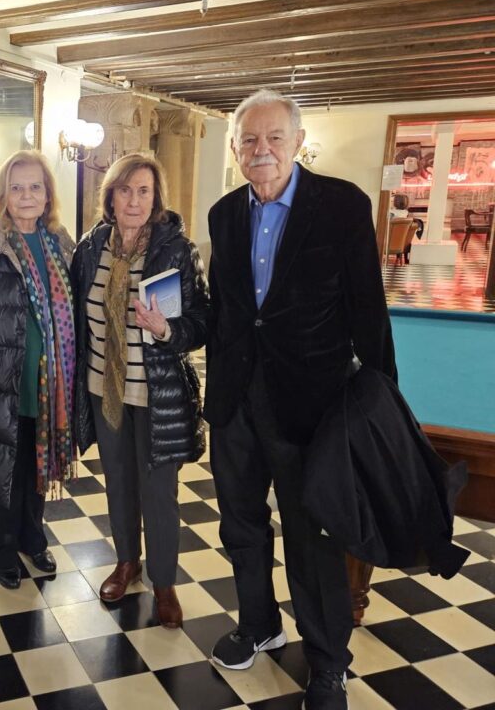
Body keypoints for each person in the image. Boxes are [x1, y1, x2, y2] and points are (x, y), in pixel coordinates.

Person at [204, 89, 396, 710]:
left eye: (273, 138)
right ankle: (258, 623)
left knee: (312, 537)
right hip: (236, 401)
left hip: (310, 407)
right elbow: (230, 312)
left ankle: (328, 662)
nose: (261, 150)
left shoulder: (342, 206)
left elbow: (369, 311)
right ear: (235, 149)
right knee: (240, 524)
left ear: (297, 142)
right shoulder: (223, 214)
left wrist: (382, 404)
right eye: (249, 140)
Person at [71, 152, 209, 627]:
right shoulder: (91, 247)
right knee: (119, 484)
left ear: (156, 199)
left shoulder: (176, 250)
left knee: (159, 493)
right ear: (110, 196)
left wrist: (167, 330)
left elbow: (202, 321)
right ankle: (126, 563)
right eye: (125, 190)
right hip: (103, 389)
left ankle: (164, 583)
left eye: (143, 191)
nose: (133, 200)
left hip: (156, 393)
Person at [0, 150, 76, 589]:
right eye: (17, 187)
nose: (26, 196)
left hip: (51, 383)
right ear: (3, 194)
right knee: (4, 465)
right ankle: (2, 548)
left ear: (48, 195)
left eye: (35, 187)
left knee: (37, 464)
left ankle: (32, 537)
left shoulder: (60, 244)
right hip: (1, 380)